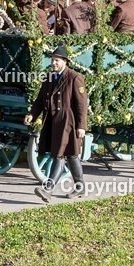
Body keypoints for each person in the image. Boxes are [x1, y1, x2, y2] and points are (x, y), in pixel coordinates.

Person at [26, 45, 89, 202]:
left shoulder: (74, 77)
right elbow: (40, 100)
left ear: (65, 62)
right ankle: (80, 188)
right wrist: (32, 115)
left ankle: (48, 189)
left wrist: (81, 126)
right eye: (52, 60)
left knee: (59, 155)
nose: (54, 63)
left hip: (69, 122)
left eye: (57, 60)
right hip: (53, 122)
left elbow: (82, 104)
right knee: (72, 155)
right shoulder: (49, 77)